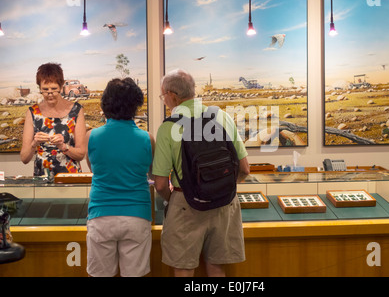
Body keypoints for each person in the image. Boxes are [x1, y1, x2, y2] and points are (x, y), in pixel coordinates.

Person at [153, 69, 250, 277]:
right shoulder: (222, 117)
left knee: (184, 269)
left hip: (185, 206)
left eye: (163, 97)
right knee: (217, 268)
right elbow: (244, 169)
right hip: (225, 203)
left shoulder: (168, 128)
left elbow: (160, 184)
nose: (164, 101)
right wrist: (221, 188)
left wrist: (178, 198)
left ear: (172, 95)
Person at [85, 77, 155, 277]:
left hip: (101, 214)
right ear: (136, 104)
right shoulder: (147, 138)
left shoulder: (92, 136)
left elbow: (94, 169)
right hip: (137, 215)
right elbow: (150, 174)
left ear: (106, 103)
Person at [20, 63, 86, 177]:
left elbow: (81, 154)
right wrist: (34, 143)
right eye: (45, 90)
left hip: (70, 179)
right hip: (42, 178)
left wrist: (63, 146)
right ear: (39, 88)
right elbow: (24, 158)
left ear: (61, 86)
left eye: (54, 89)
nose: (50, 94)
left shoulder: (76, 110)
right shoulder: (33, 112)